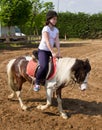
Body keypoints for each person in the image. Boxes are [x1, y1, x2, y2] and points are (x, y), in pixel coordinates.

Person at [33, 10, 61, 92]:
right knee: (44, 66)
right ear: (49, 19)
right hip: (43, 50)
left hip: (50, 50)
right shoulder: (46, 29)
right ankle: (37, 82)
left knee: (58, 64)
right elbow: (47, 41)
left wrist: (59, 51)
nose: (55, 21)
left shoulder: (56, 30)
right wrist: (52, 52)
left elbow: (57, 41)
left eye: (56, 19)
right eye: (54, 19)